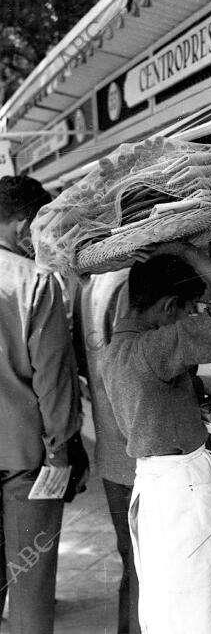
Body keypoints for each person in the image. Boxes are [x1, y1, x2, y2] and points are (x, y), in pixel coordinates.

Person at [101, 241, 211, 634]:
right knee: (198, 605)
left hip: (157, 489)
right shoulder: (152, 350)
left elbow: (150, 392)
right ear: (170, 307)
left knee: (177, 607)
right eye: (188, 310)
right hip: (178, 494)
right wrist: (186, 252)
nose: (191, 317)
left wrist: (196, 388)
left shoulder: (119, 347)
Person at [0, 175, 88, 634]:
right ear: (23, 227)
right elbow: (53, 379)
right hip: (28, 460)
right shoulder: (36, 282)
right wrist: (63, 448)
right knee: (30, 583)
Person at [73, 268, 141, 634]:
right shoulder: (129, 282)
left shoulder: (92, 283)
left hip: (110, 442)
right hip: (134, 443)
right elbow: (130, 369)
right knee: (144, 561)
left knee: (130, 556)